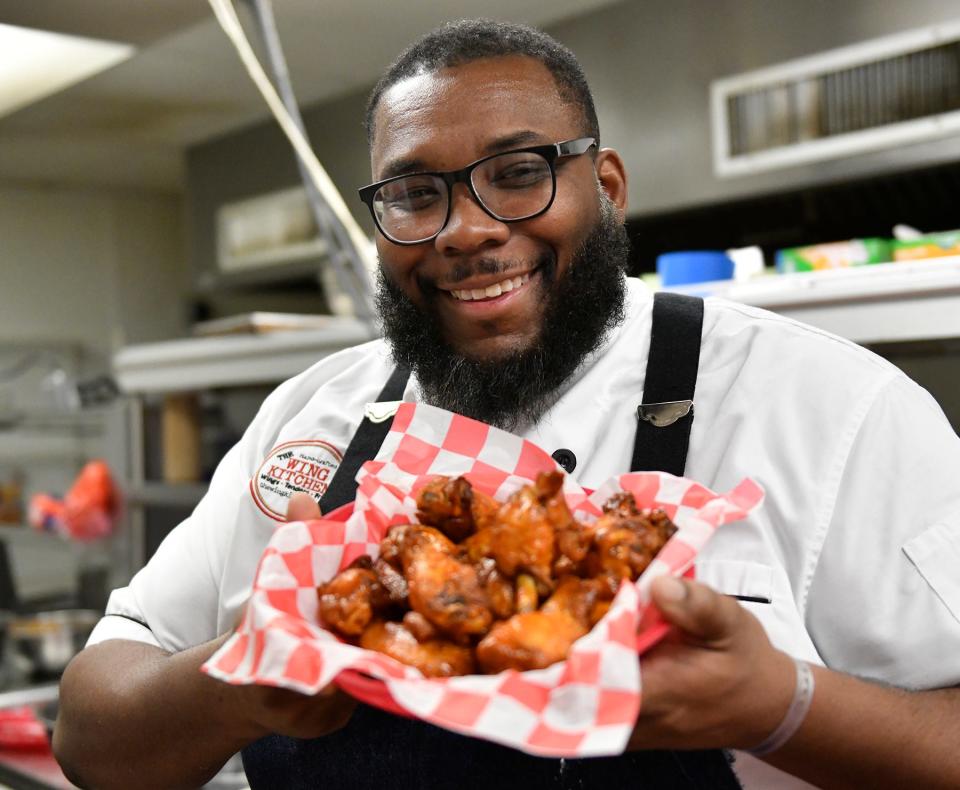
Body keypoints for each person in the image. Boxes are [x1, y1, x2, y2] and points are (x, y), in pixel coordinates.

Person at [54, 19, 960, 790]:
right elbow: (92, 739)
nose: (469, 229)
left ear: (604, 189)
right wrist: (241, 677)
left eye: (519, 171)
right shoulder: (307, 421)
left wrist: (782, 704)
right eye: (414, 194)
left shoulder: (830, 407)